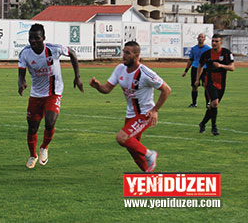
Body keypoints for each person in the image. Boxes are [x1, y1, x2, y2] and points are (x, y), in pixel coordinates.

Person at [89, 41, 171, 172]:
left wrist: (155, 110)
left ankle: (150, 154)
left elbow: (166, 89)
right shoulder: (120, 69)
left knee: (121, 138)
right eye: (123, 52)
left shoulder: (145, 73)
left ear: (137, 56)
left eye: (128, 53)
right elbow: (107, 88)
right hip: (130, 115)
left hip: (145, 114)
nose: (124, 56)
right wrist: (98, 86)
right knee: (132, 149)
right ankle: (147, 173)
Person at [17, 23, 84, 168]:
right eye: (30, 38)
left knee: (50, 122)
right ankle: (32, 155)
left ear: (43, 38)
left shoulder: (53, 49)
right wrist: (21, 82)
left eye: (36, 38)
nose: (33, 41)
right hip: (36, 94)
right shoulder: (25, 53)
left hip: (54, 92)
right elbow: (21, 72)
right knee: (32, 128)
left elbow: (72, 53)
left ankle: (44, 147)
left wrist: (77, 76)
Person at [195, 34, 235, 136]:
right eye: (213, 41)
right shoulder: (207, 54)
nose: (214, 43)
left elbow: (232, 68)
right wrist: (197, 79)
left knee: (213, 106)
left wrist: (220, 65)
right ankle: (214, 127)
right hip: (209, 81)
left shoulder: (226, 53)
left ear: (221, 42)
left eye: (216, 41)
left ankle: (202, 123)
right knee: (215, 103)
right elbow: (200, 66)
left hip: (221, 83)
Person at [182, 33, 211, 107]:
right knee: (194, 86)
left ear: (204, 39)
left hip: (205, 69)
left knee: (206, 85)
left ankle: (208, 103)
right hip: (195, 68)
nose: (200, 38)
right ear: (197, 38)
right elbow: (190, 60)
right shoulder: (194, 48)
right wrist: (186, 71)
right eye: (199, 37)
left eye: (202, 37)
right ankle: (194, 103)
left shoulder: (208, 49)